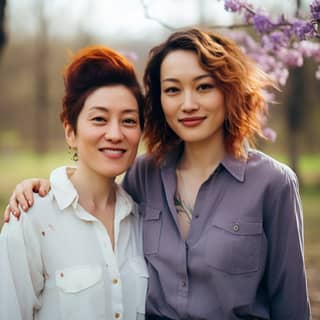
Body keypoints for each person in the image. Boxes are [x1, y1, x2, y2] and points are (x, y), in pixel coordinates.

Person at [4, 28, 311, 320]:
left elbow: (291, 305)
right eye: (172, 90)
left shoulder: (272, 184)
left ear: (228, 91)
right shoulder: (143, 176)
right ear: (160, 101)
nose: (188, 104)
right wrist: (43, 187)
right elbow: (91, 193)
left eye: (203, 86)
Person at [0, 45, 149, 320]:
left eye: (129, 120)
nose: (115, 134)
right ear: (71, 132)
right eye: (99, 119)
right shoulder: (31, 218)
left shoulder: (143, 220)